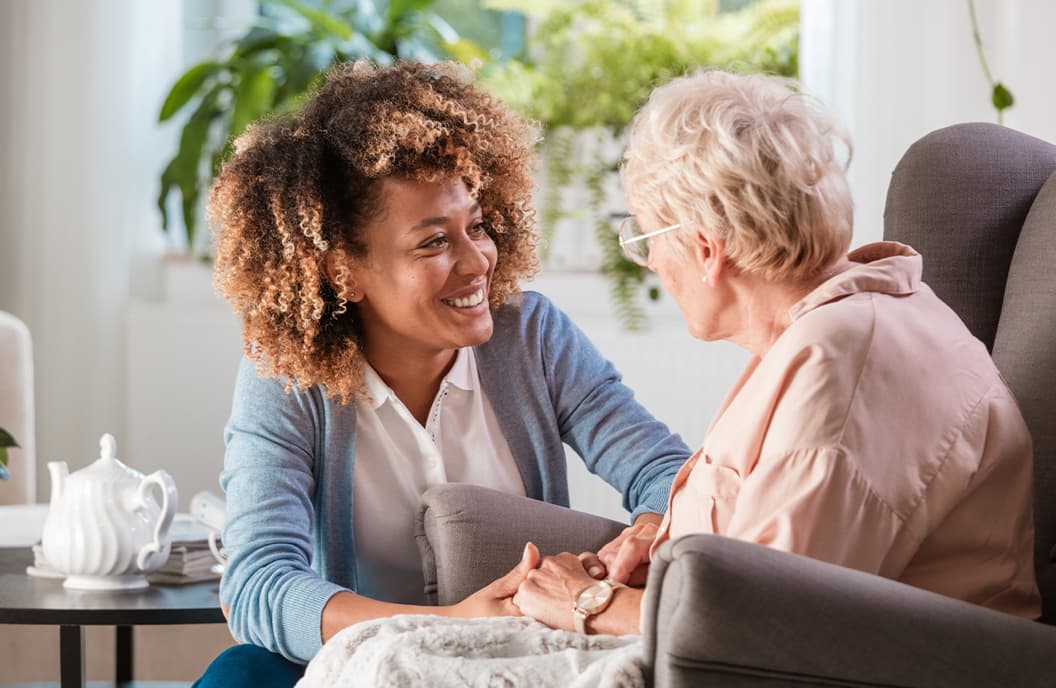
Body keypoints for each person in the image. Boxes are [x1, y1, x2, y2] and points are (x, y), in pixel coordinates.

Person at [193, 60, 691, 686]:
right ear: (343, 270)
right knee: (239, 673)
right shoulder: (287, 377)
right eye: (433, 242)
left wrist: (647, 532)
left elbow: (668, 473)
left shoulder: (531, 336)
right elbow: (259, 583)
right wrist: (447, 624)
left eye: (476, 227)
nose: (477, 260)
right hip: (360, 663)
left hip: (515, 658)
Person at [511, 69, 1041, 636]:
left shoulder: (840, 367)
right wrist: (666, 548)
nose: (653, 264)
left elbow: (766, 625)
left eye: (646, 239)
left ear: (706, 249)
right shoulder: (837, 327)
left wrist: (589, 601)